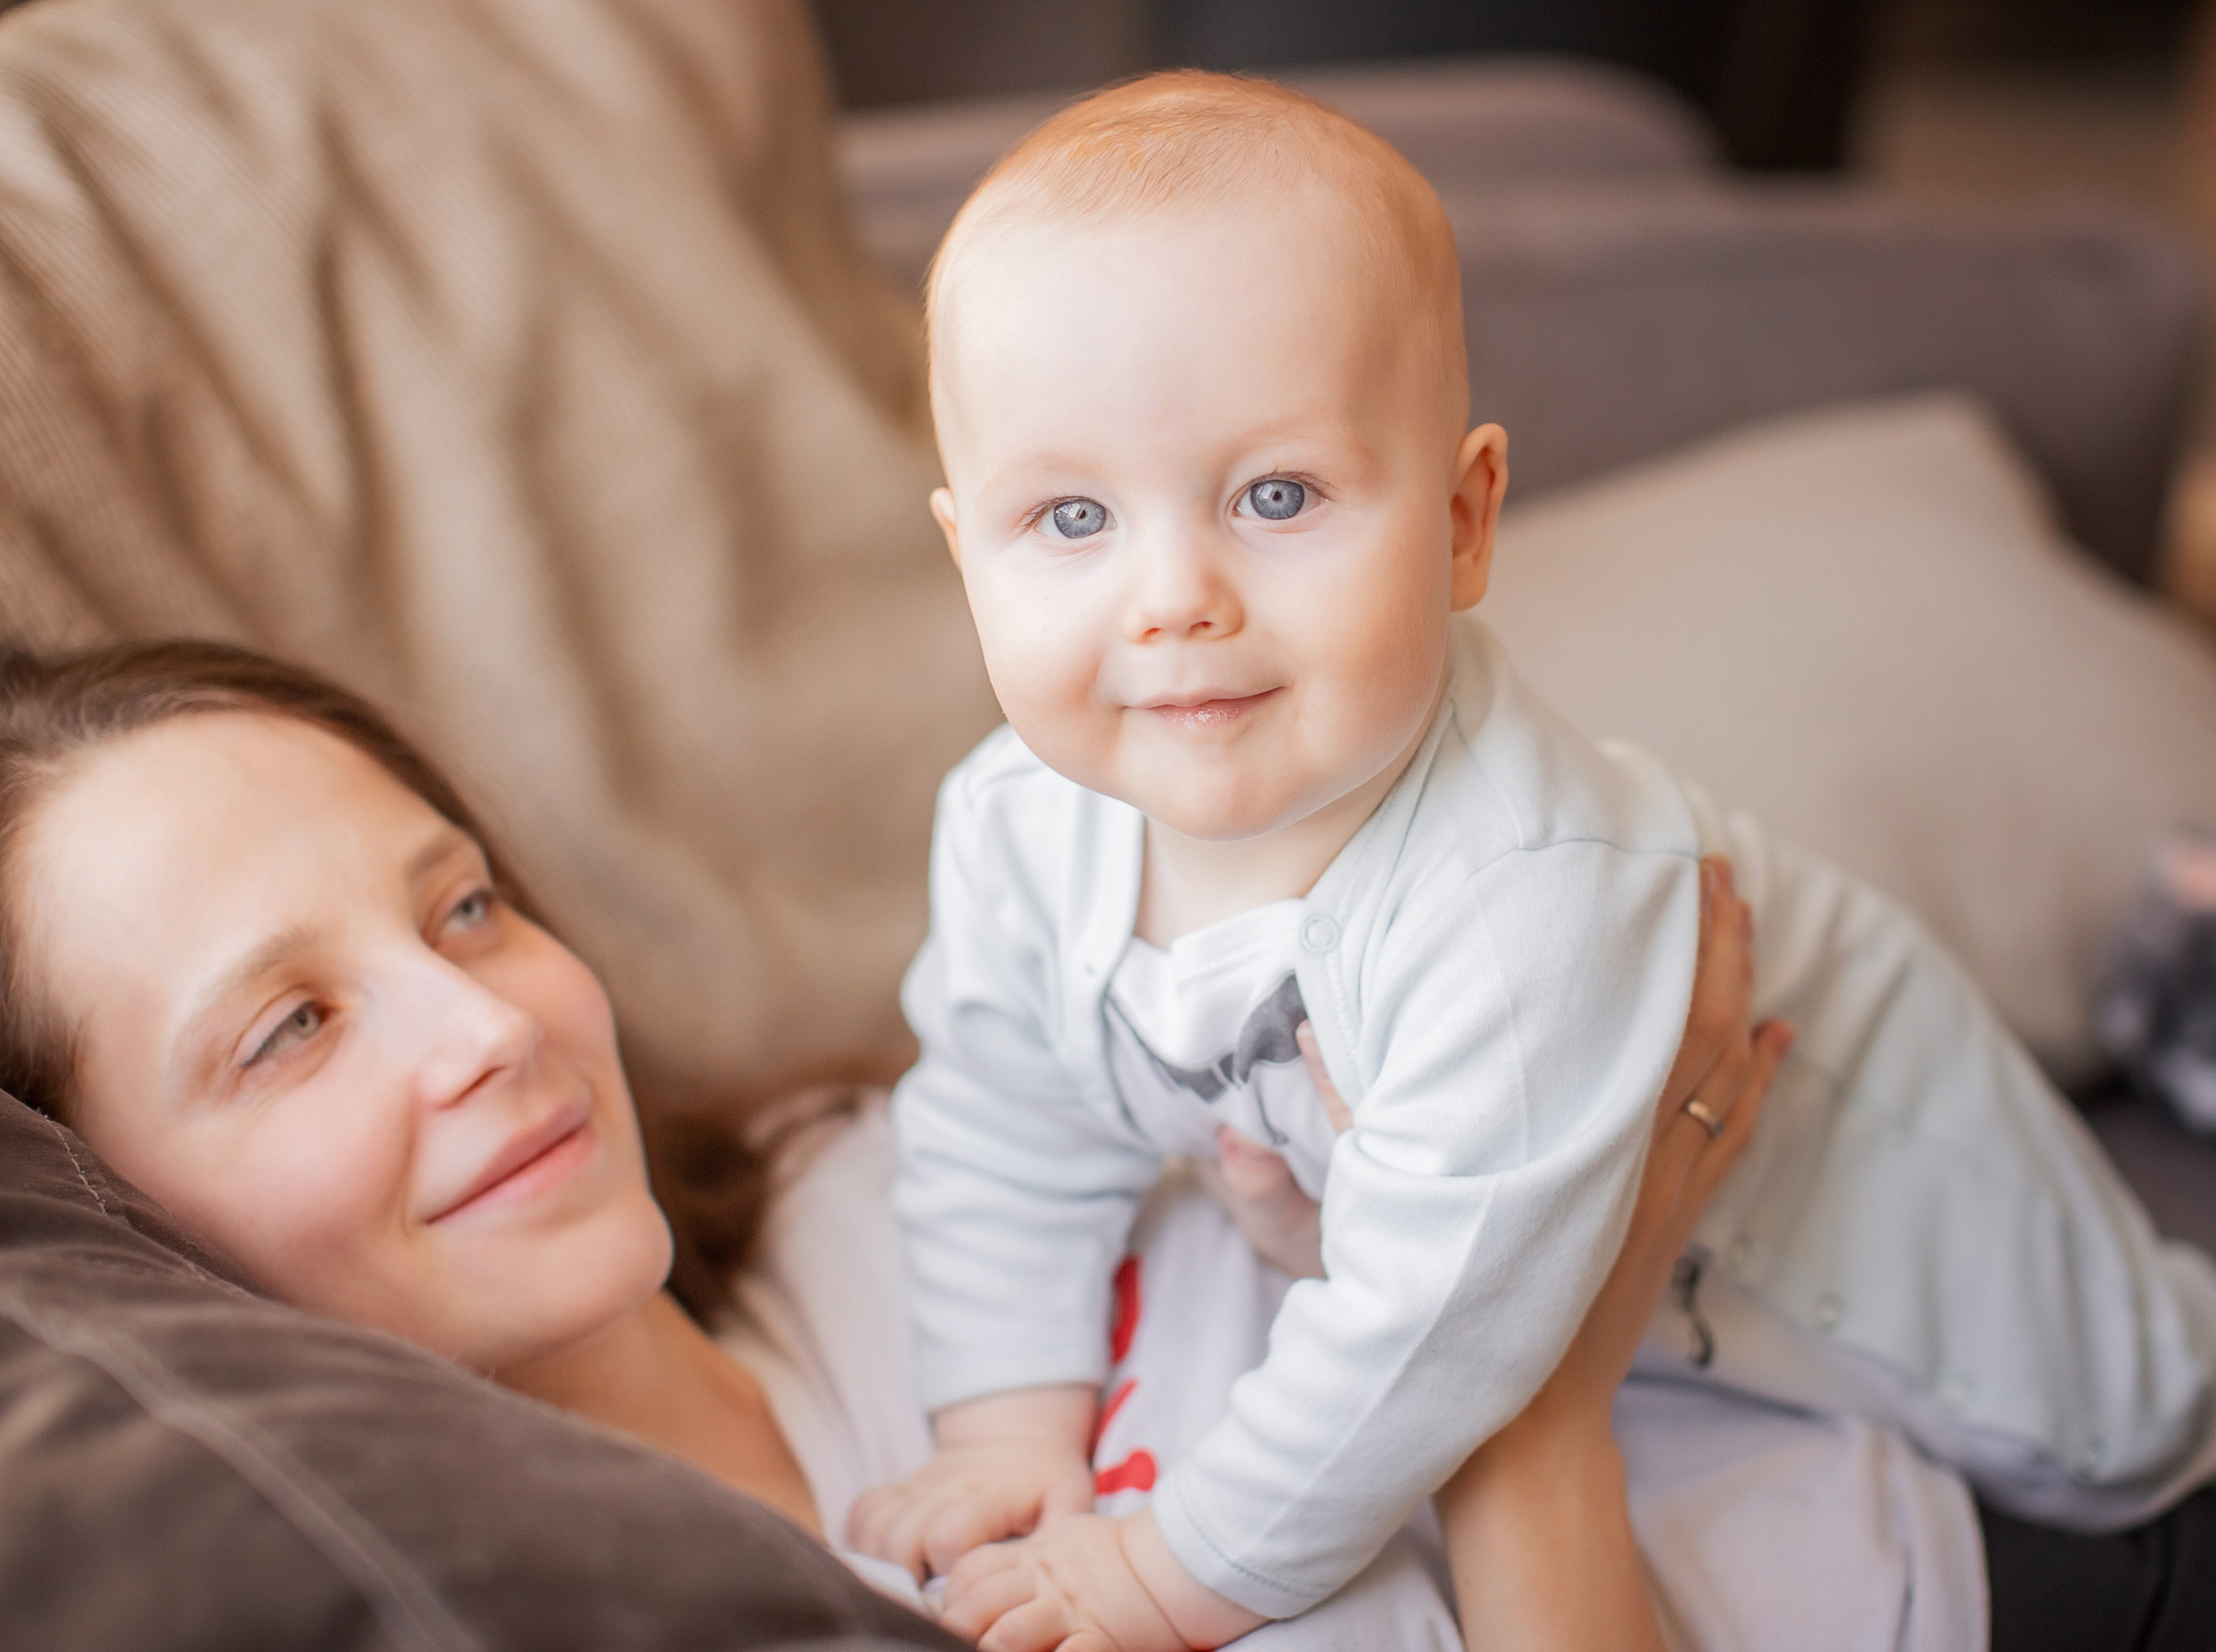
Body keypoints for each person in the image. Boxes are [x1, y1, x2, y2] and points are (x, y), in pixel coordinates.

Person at [862, 68, 2216, 1652]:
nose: (1173, 597)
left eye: (1276, 494)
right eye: (1072, 518)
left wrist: (1169, 1570)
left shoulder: (1519, 897)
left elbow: (1424, 1342)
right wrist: (1010, 1430)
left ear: (1461, 521)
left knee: (2146, 1405)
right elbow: (1000, 1129)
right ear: (969, 557)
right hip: (1683, 1344)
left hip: (1992, 1340)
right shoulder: (1016, 826)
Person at [0, 640, 1792, 1649]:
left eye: (463, 907)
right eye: (290, 1026)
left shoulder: (883, 1160)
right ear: (100, 1213)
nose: (492, 1027)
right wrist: (1520, 1399)